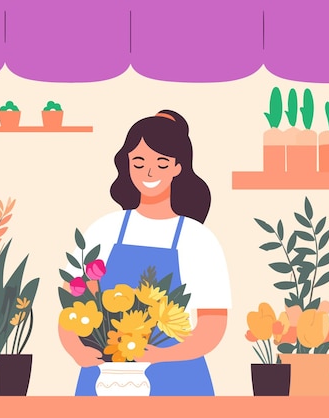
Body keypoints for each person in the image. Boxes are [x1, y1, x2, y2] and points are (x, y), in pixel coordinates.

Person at [58, 109, 232, 396]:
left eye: (161, 164)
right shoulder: (104, 230)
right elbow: (72, 308)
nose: (149, 173)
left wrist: (157, 356)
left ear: (178, 167)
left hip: (179, 380)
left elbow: (213, 326)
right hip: (107, 376)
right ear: (126, 164)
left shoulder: (198, 240)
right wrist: (78, 351)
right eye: (139, 163)